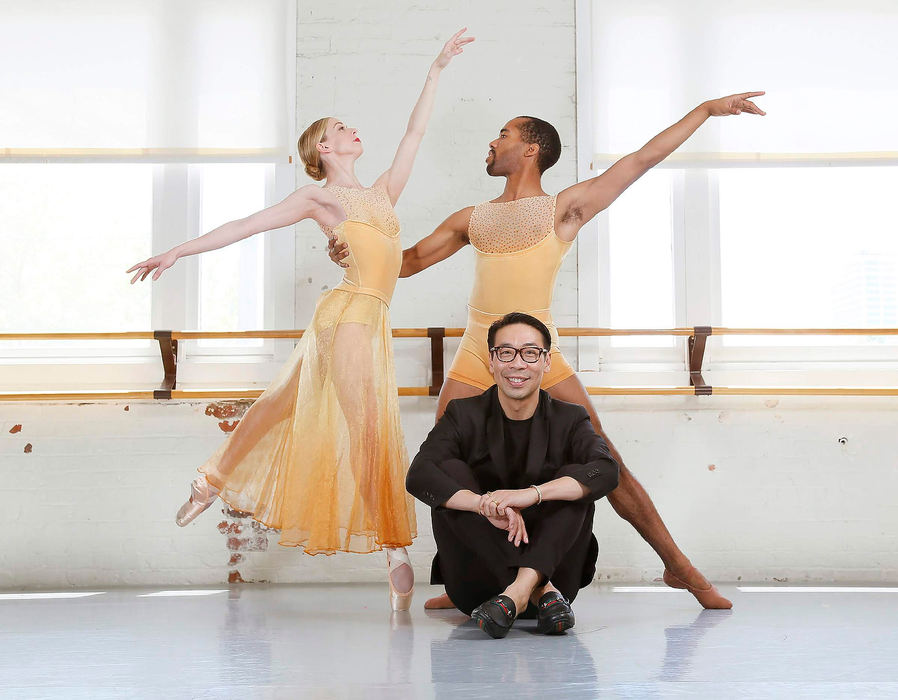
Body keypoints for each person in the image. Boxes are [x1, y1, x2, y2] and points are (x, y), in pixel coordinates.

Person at [333, 93, 766, 610]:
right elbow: (404, 264)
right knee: (444, 467)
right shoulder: (472, 218)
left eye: (505, 135)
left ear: (532, 149)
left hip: (541, 351)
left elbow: (642, 159)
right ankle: (469, 580)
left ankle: (681, 568)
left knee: (607, 463)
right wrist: (352, 249)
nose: (492, 143)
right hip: (478, 350)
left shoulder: (564, 209)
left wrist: (704, 111)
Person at [126, 29, 475, 611]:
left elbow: (415, 132)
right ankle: (393, 548)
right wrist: (178, 251)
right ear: (325, 149)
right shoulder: (318, 199)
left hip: (368, 318)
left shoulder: (384, 194)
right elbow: (247, 224)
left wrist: (435, 69)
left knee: (279, 403)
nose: (351, 130)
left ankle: (208, 481)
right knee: (367, 426)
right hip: (348, 318)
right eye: (340, 128)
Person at [406, 312, 620, 638]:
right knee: (449, 471)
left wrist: (531, 494)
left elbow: (606, 470)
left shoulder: (571, 418)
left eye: (530, 353)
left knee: (574, 480)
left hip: (557, 579)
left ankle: (520, 592)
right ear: (491, 361)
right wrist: (484, 505)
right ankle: (536, 587)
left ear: (546, 362)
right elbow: (419, 474)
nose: (518, 364)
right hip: (483, 588)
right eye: (506, 352)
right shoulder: (463, 414)